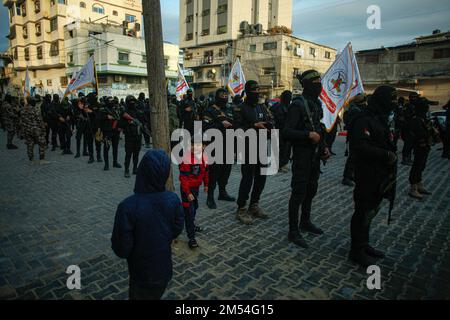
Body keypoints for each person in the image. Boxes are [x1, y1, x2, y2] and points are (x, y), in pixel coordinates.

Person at [111, 150, 184, 300]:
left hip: (140, 274)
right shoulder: (173, 199)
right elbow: (177, 227)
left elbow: (121, 248)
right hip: (163, 270)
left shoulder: (128, 206)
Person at [349, 85, 398, 267]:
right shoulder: (363, 119)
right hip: (366, 174)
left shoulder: (380, 119)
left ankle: (364, 244)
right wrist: (385, 155)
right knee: (362, 212)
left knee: (371, 211)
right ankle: (356, 251)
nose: (393, 103)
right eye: (391, 99)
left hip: (380, 174)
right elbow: (360, 146)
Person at [283, 70, 331, 248]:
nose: (319, 84)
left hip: (315, 156)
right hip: (302, 156)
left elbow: (319, 128)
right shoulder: (297, 104)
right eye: (316, 82)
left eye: (320, 81)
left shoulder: (316, 103)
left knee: (311, 190)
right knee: (298, 193)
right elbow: (287, 132)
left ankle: (305, 221)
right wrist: (307, 135)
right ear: (307, 84)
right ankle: (293, 230)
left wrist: (324, 147)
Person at [233, 80, 275, 225]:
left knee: (261, 177)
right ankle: (242, 207)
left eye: (258, 91)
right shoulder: (240, 108)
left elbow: (271, 120)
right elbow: (237, 129)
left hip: (262, 146)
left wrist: (269, 126)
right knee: (247, 178)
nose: (256, 94)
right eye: (253, 91)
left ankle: (254, 204)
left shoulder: (262, 107)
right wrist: (253, 126)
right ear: (247, 92)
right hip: (248, 147)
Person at [203, 88, 235, 209]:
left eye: (226, 95)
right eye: (222, 95)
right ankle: (210, 196)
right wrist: (220, 124)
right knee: (214, 173)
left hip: (229, 146)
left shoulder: (229, 109)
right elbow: (205, 127)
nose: (224, 97)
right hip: (215, 146)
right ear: (217, 97)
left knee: (226, 171)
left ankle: (222, 192)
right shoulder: (210, 110)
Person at [179, 140, 208, 249]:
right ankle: (191, 237)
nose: (193, 147)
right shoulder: (186, 158)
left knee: (194, 207)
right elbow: (183, 178)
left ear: (204, 147)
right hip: (187, 190)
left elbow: (205, 172)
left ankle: (191, 225)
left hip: (195, 189)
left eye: (197, 145)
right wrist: (188, 192)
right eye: (192, 144)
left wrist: (206, 185)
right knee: (189, 212)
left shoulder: (204, 157)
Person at [408, 97, 437, 199]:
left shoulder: (423, 118)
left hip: (425, 146)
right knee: (417, 167)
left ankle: (419, 184)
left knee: (421, 166)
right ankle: (413, 188)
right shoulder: (416, 119)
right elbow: (419, 134)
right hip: (419, 146)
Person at [342, 93, 367, 187]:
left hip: (358, 136)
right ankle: (346, 177)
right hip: (354, 137)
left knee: (356, 157)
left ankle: (351, 175)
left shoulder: (357, 109)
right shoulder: (355, 111)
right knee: (353, 157)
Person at [120, 95, 145, 178]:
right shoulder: (124, 112)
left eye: (133, 102)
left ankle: (135, 169)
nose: (132, 103)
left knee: (136, 154)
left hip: (138, 136)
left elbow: (143, 122)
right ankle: (126, 170)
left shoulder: (138, 111)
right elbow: (120, 125)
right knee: (128, 154)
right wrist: (128, 122)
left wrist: (142, 124)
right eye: (130, 102)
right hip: (129, 136)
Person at [20, 97, 49, 164]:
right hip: (36, 129)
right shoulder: (35, 110)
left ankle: (31, 160)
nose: (35, 103)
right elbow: (40, 121)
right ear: (31, 102)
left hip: (27, 129)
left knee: (30, 144)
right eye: (34, 101)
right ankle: (42, 160)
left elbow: (21, 121)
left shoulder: (22, 110)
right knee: (42, 143)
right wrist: (43, 130)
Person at [271, 90, 292, 173]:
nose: (290, 99)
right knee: (280, 149)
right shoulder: (278, 106)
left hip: (285, 132)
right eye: (288, 97)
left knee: (286, 149)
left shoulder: (288, 106)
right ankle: (279, 165)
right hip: (279, 131)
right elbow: (280, 120)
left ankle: (283, 164)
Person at [100, 97, 123, 171]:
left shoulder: (115, 109)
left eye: (112, 101)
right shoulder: (103, 110)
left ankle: (115, 162)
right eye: (110, 101)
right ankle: (106, 164)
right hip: (107, 132)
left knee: (115, 148)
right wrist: (106, 117)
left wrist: (120, 127)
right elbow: (98, 118)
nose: (111, 102)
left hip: (116, 132)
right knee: (106, 147)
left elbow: (119, 118)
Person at [401, 92, 419, 166]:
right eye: (413, 97)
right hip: (407, 128)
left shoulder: (415, 105)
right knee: (408, 144)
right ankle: (405, 159)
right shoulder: (408, 105)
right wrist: (414, 113)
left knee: (411, 144)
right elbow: (406, 116)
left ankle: (408, 158)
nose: (415, 99)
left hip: (413, 127)